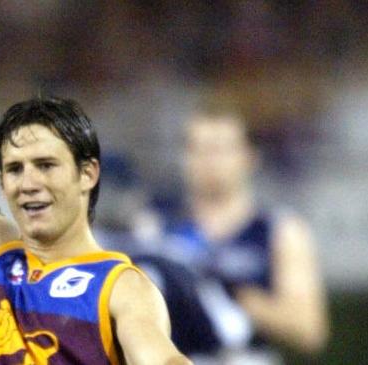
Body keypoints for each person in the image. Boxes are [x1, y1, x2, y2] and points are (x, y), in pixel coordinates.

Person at [0, 1, 191, 364]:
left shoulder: (120, 287)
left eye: (46, 165)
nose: (29, 182)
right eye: (15, 169)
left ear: (88, 174)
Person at [132, 103, 330, 363]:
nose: (209, 161)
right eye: (197, 149)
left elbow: (309, 331)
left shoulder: (278, 230)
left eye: (220, 149)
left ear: (249, 156)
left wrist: (226, 294)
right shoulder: (154, 226)